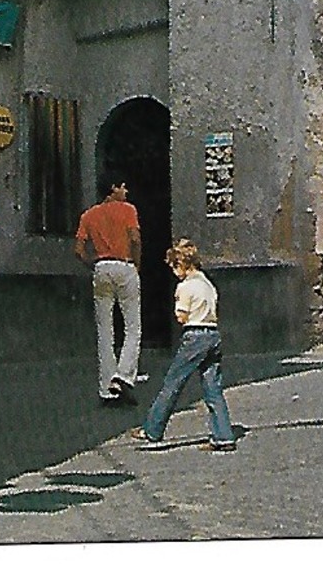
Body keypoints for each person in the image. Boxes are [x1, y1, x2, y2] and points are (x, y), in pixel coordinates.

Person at [130, 239, 236, 452]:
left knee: (173, 382)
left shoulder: (185, 287)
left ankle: (152, 429)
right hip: (213, 334)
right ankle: (224, 435)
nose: (173, 271)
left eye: (173, 267)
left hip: (194, 336)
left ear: (182, 265)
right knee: (213, 388)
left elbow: (181, 316)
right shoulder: (208, 283)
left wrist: (181, 313)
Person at [75, 180, 142, 406]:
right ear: (113, 188)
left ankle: (106, 388)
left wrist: (92, 263)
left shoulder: (89, 215)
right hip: (124, 266)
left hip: (102, 267)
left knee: (105, 329)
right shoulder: (128, 209)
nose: (126, 190)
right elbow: (134, 238)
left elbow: (79, 249)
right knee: (133, 326)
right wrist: (136, 264)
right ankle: (123, 376)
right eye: (124, 186)